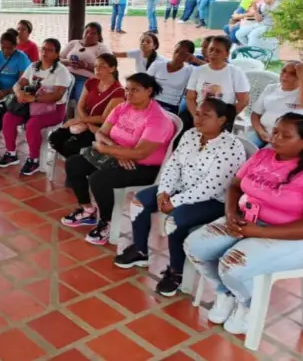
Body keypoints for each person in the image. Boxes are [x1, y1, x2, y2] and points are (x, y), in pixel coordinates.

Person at [184, 112, 303, 336]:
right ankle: (227, 292)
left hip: (290, 236)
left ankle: (249, 305)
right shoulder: (264, 155)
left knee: (232, 264)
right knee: (195, 246)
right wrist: (230, 213)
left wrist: (257, 231)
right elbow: (235, 185)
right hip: (246, 220)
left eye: (285, 136)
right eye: (275, 131)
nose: (275, 138)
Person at [115, 98, 243, 296]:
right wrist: (163, 192)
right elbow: (173, 165)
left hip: (213, 200)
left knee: (176, 220)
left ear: (221, 120)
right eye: (197, 113)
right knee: (139, 201)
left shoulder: (231, 147)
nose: (198, 119)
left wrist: (174, 201)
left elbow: (211, 187)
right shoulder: (191, 135)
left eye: (206, 115)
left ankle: (176, 271)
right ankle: (140, 251)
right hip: (180, 189)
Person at [60, 73, 175, 245]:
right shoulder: (123, 107)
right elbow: (100, 132)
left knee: (100, 180)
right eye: (127, 90)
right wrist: (116, 152)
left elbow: (140, 153)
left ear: (149, 91)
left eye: (135, 90)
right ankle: (87, 209)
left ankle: (107, 222)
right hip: (118, 156)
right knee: (74, 163)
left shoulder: (157, 119)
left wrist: (106, 149)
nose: (129, 94)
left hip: (144, 167)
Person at [0, 38, 73, 175]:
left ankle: (34, 160)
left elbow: (57, 95)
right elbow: (19, 83)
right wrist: (19, 93)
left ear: (57, 54)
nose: (45, 53)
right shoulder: (33, 66)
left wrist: (34, 98)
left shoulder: (61, 72)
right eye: (43, 49)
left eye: (49, 50)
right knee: (8, 117)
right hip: (30, 107)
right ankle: (11, 153)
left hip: (53, 110)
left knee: (32, 125)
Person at [49, 53, 125, 159]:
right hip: (86, 123)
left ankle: (77, 163)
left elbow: (104, 118)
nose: (97, 69)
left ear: (112, 69)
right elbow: (80, 105)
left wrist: (80, 121)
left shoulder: (118, 91)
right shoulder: (92, 82)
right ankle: (72, 161)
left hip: (100, 130)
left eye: (102, 66)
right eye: (95, 66)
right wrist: (85, 122)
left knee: (70, 146)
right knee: (54, 138)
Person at [181, 36, 249, 132]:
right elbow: (190, 97)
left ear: (226, 54)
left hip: (221, 117)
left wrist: (223, 118)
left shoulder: (235, 72)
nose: (213, 53)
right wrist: (196, 116)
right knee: (181, 127)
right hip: (198, 112)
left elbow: (243, 101)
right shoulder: (198, 71)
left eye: (218, 51)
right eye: (211, 49)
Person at [248, 62, 303, 148]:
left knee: (264, 157)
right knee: (244, 149)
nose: (285, 75)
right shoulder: (271, 88)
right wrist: (261, 132)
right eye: (283, 71)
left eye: (293, 73)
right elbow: (255, 114)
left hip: (284, 138)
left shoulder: (299, 94)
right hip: (261, 132)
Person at [60, 22, 112, 102]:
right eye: (87, 32)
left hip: (86, 79)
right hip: (67, 75)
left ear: (99, 36)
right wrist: (68, 62)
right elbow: (57, 59)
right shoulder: (73, 43)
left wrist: (86, 65)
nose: (88, 35)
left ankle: (80, 114)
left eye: (93, 33)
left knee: (81, 99)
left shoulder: (102, 48)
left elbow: (107, 68)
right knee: (58, 95)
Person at [147, 40, 195, 114]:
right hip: (151, 101)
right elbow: (143, 83)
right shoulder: (157, 65)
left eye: (183, 54)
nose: (178, 55)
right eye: (177, 51)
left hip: (171, 106)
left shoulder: (190, 70)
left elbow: (210, 69)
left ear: (189, 56)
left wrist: (195, 60)